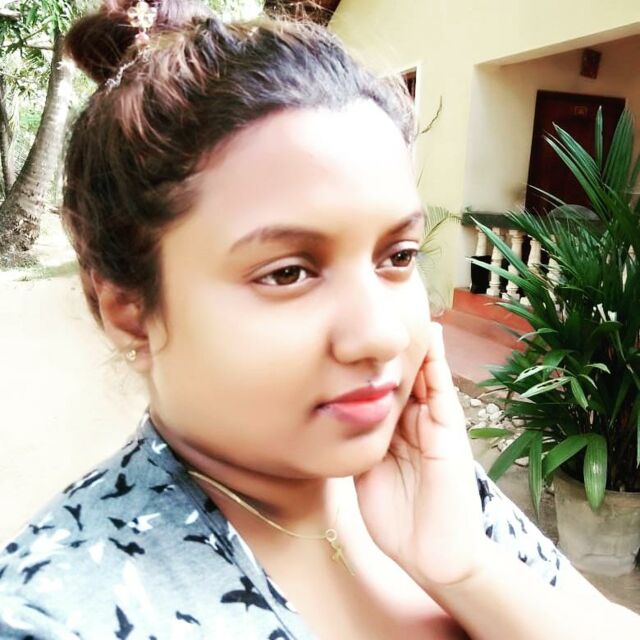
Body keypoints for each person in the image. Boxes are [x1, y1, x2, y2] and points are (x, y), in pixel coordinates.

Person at [0, 1, 638, 638]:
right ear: (131, 313)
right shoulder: (59, 614)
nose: (382, 334)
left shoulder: (431, 482)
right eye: (287, 273)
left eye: (398, 256)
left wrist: (466, 570)